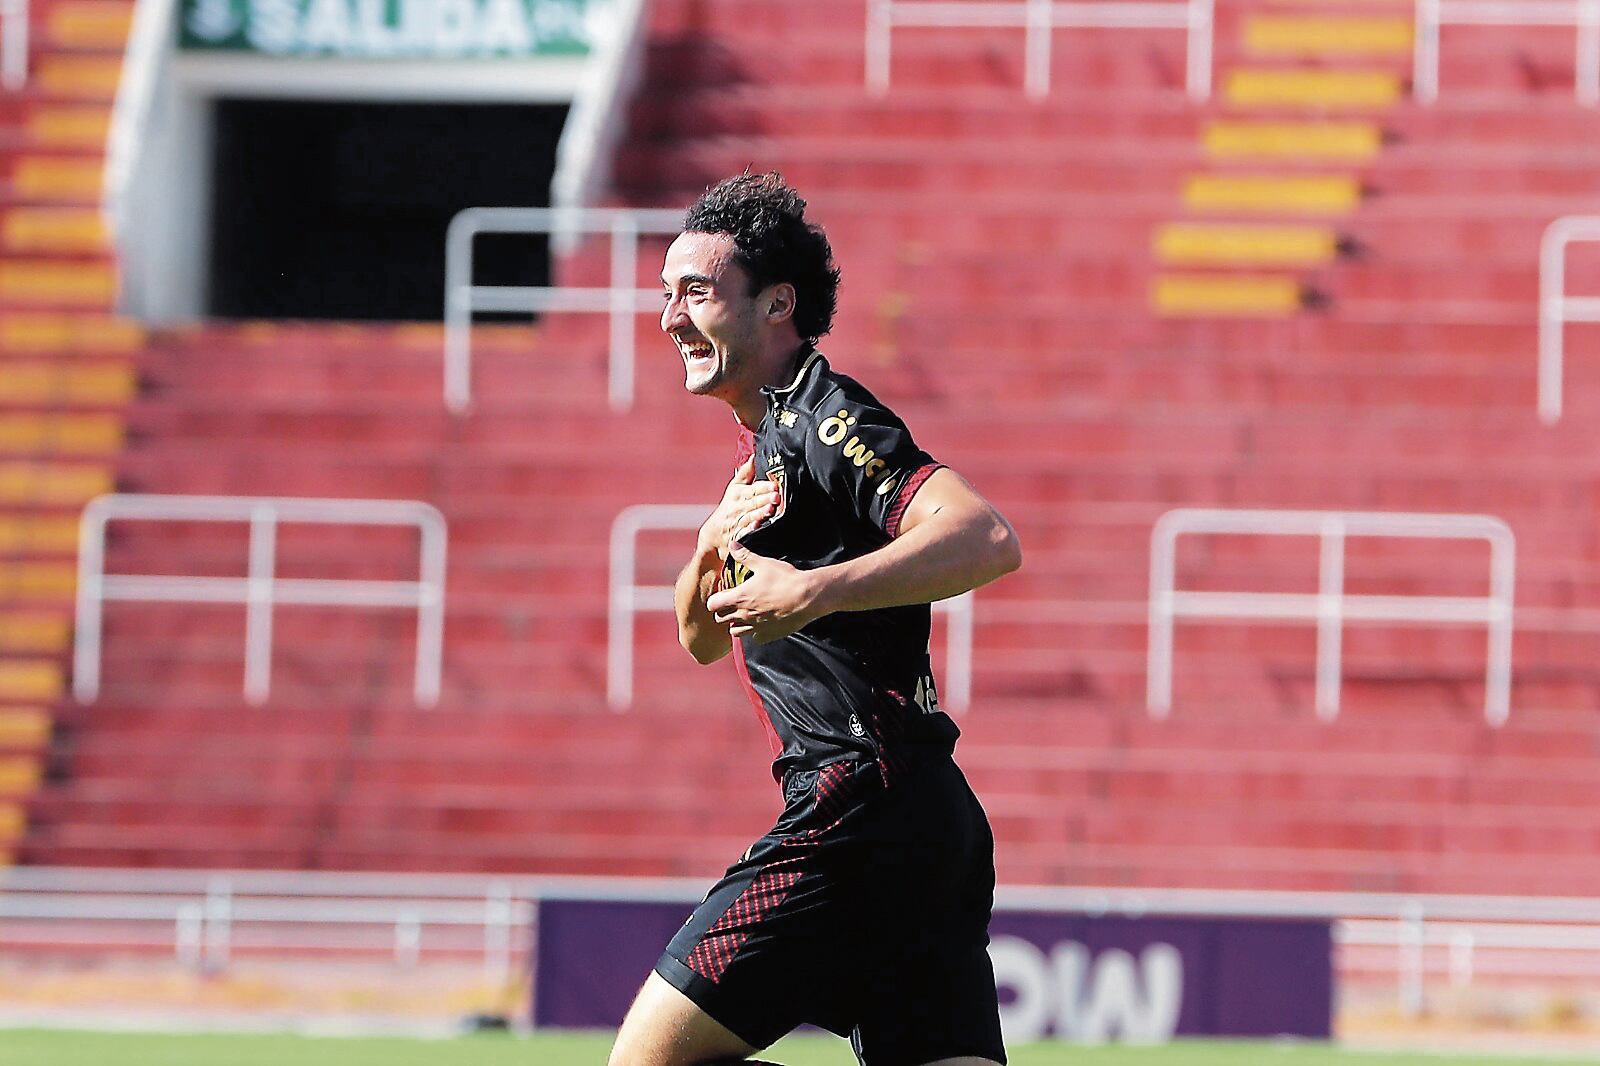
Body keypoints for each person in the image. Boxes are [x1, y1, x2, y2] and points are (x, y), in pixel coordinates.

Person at [609, 173, 1021, 1066]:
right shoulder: (761, 452)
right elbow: (700, 638)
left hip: (856, 803)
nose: (671, 318)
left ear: (776, 304)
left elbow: (984, 536)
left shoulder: (827, 420)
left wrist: (814, 592)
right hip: (924, 816)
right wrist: (706, 548)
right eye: (666, 294)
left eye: (696, 292)